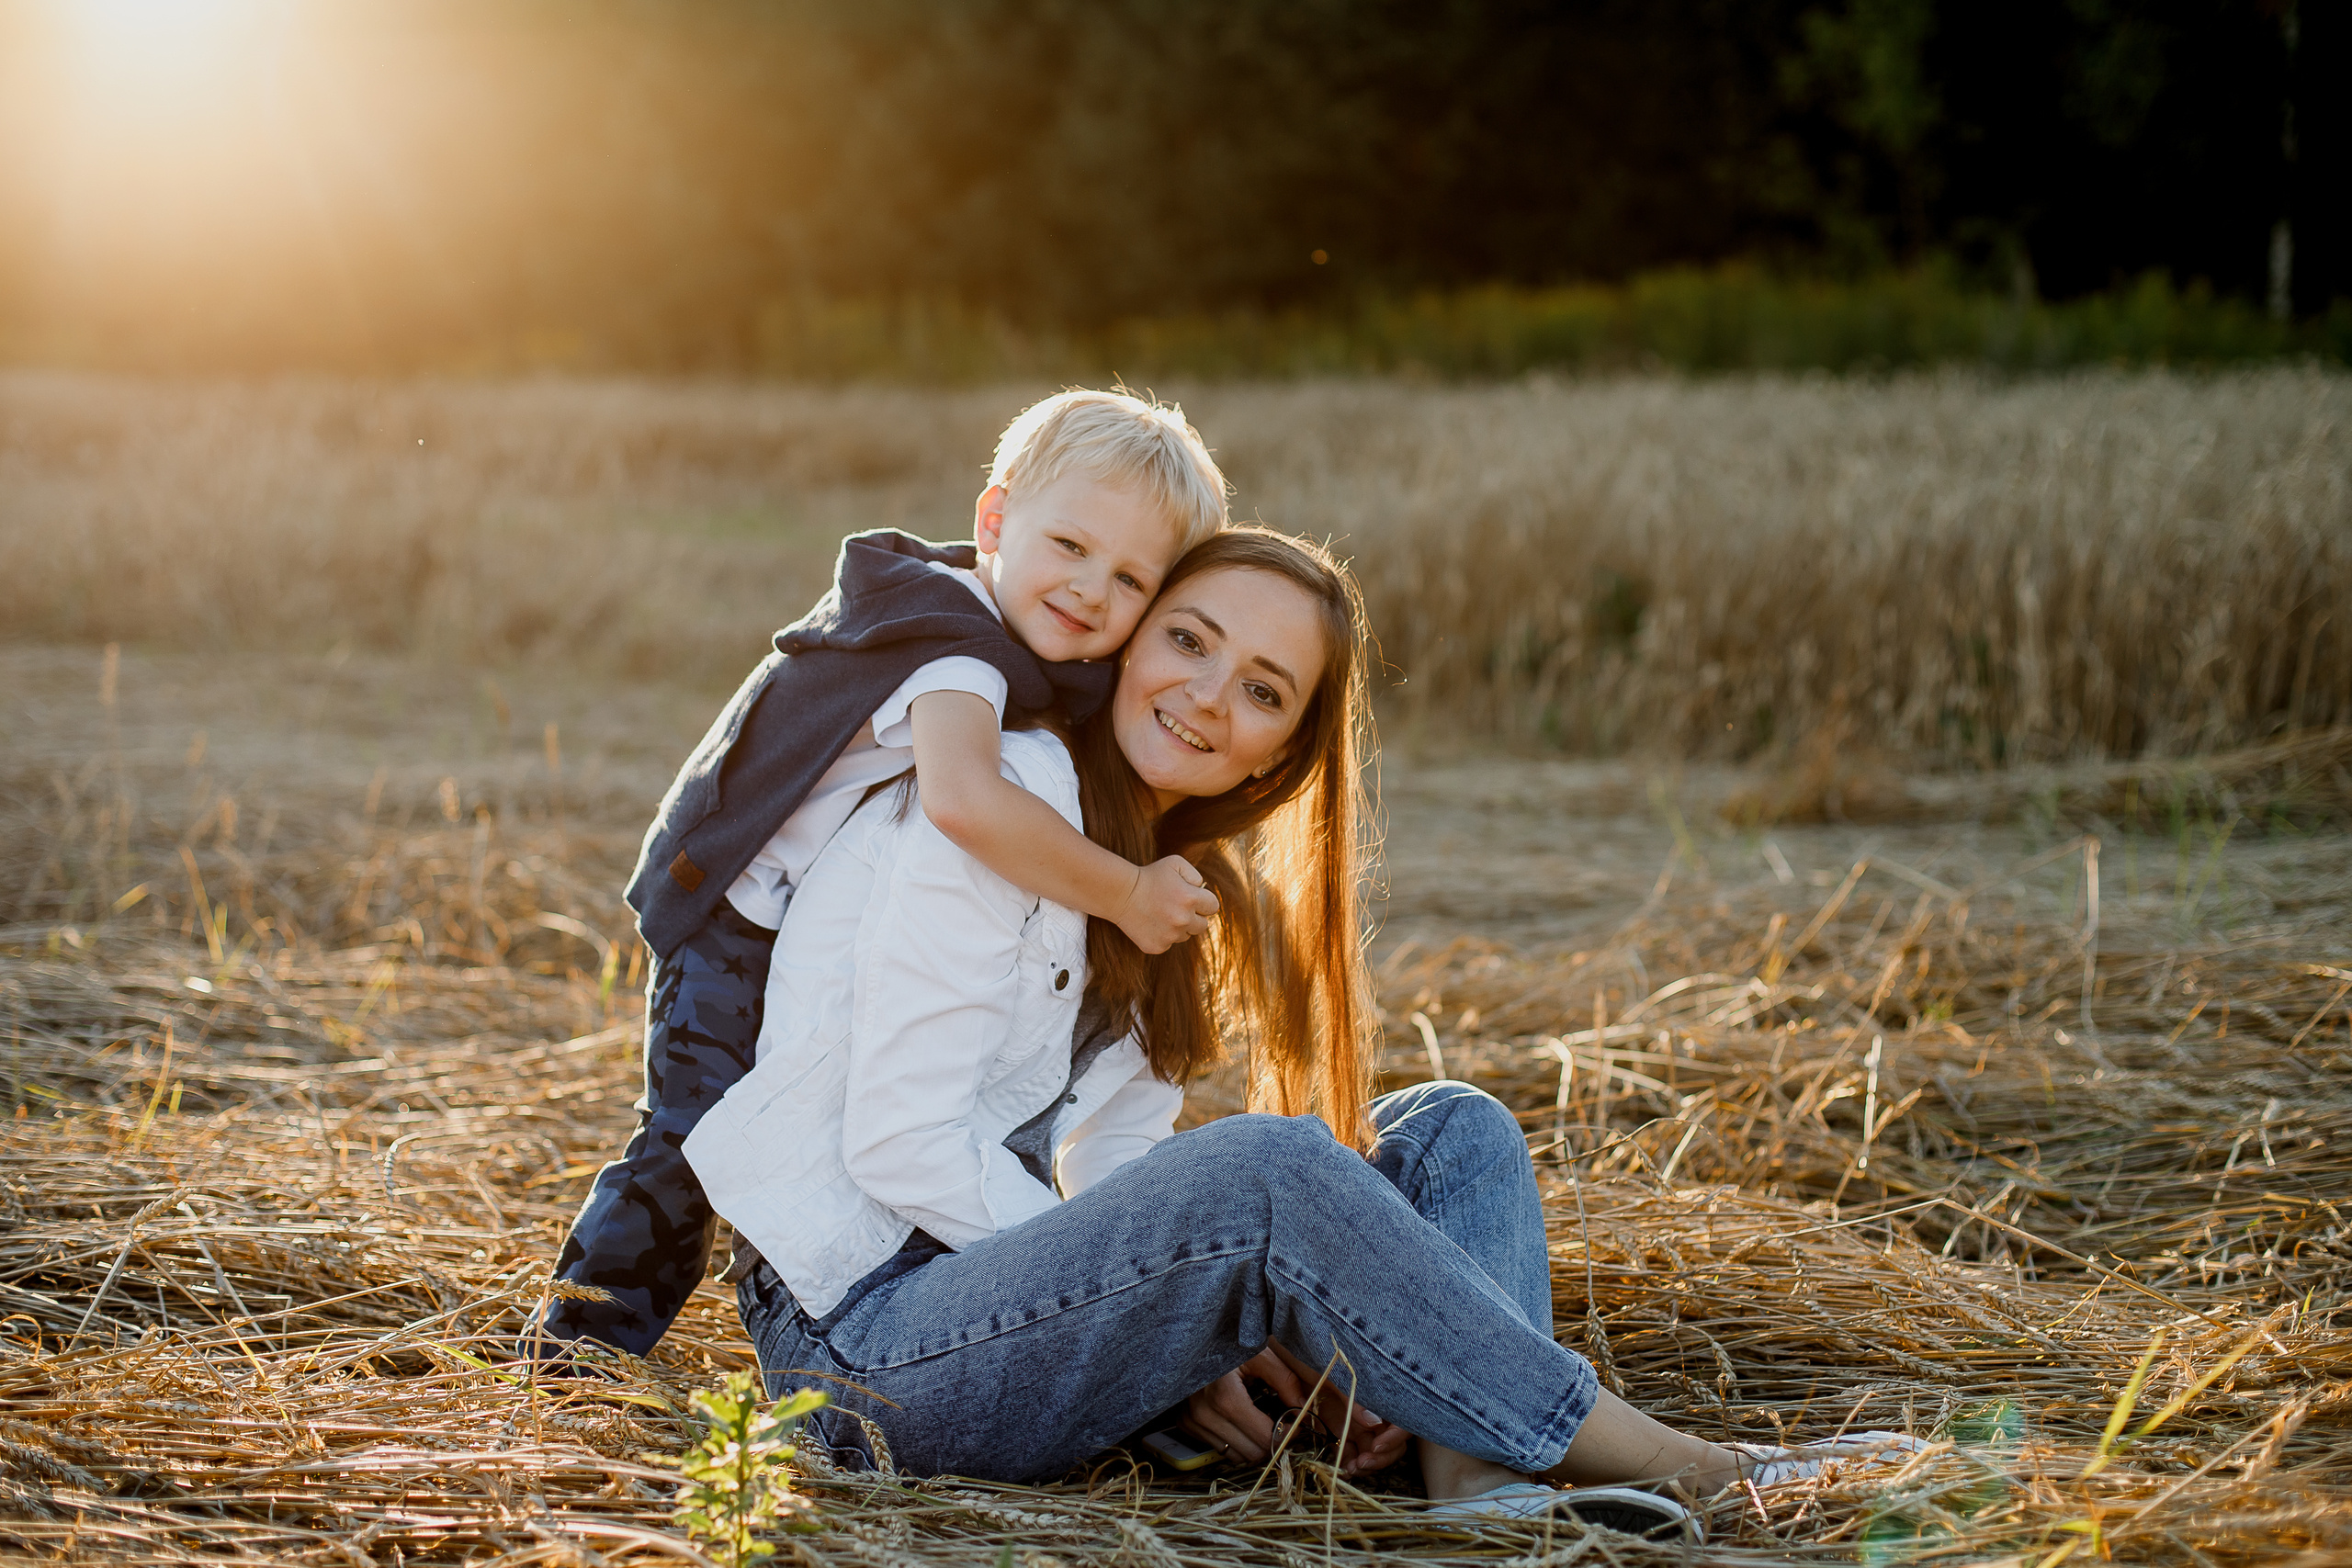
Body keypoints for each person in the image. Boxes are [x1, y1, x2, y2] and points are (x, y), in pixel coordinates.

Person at [687, 528, 1919, 1535]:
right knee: (1266, 1173)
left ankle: (1475, 1489)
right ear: (1129, 638)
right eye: (1187, 639)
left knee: (1449, 1131)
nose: (1210, 697)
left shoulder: (1157, 875)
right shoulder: (1006, 806)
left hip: (994, 1298)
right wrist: (1167, 1321)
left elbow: (1112, 1161)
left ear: (1284, 749)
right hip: (867, 1354)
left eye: (1264, 689)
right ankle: (1694, 1463)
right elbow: (900, 1145)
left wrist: (1163, 1316)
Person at [536, 389, 1233, 1357]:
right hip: (735, 922)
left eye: (1126, 580)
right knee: (690, 1149)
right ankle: (571, 1354)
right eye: (1068, 547)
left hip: (778, 913)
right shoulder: (956, 653)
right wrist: (1122, 890)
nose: (1087, 590)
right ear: (994, 520)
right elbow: (965, 800)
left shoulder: (970, 615)